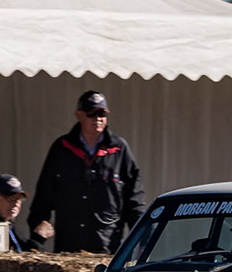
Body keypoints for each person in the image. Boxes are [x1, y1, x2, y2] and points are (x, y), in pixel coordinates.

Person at [28, 91, 145, 254]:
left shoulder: (119, 149)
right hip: (69, 244)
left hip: (107, 245)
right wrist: (36, 237)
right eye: (91, 114)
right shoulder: (62, 148)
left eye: (102, 114)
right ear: (79, 115)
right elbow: (44, 195)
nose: (97, 119)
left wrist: (143, 236)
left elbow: (134, 197)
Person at [0, 173, 36, 252]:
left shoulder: (8, 222)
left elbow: (25, 252)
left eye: (19, 199)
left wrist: (39, 238)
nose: (16, 204)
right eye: (10, 199)